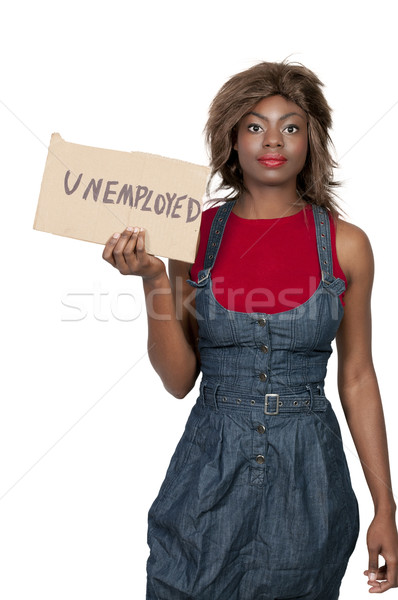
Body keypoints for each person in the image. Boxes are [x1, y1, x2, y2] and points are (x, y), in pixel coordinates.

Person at [102, 61, 398, 599]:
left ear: (312, 140)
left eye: (291, 126)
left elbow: (357, 377)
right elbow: (178, 378)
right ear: (232, 140)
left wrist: (387, 507)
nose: (273, 141)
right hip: (207, 472)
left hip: (309, 477)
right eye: (255, 126)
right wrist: (151, 280)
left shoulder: (347, 244)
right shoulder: (191, 235)